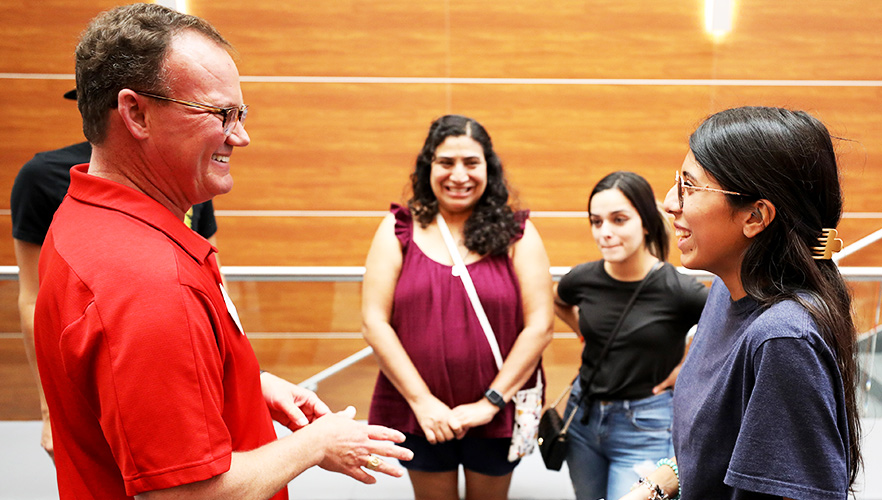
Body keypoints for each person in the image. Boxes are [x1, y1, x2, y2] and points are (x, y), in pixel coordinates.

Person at [33, 4, 412, 499]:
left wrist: (247, 381)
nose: (241, 136)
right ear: (135, 113)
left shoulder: (89, 217)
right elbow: (184, 494)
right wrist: (316, 444)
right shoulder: (147, 282)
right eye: (220, 113)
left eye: (242, 113)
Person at [619, 106, 861, 500]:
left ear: (755, 216)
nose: (669, 203)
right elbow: (721, 441)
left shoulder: (782, 338)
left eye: (690, 187)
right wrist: (656, 485)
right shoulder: (727, 292)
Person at [11, 89, 219, 461]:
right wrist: (49, 410)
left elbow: (214, 282)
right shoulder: (43, 177)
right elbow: (33, 299)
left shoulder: (188, 175)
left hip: (172, 364)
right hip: (95, 368)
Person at [362, 114, 554, 500]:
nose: (459, 175)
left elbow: (540, 326)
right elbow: (374, 322)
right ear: (428, 167)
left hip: (495, 413)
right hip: (419, 412)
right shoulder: (399, 227)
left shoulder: (517, 232)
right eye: (446, 163)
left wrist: (490, 403)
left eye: (471, 163)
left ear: (489, 168)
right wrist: (422, 401)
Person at [553, 171, 707, 500]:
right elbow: (559, 301)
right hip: (583, 417)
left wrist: (686, 369)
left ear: (646, 224)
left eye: (619, 220)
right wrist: (583, 333)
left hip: (645, 425)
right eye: (596, 222)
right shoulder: (582, 278)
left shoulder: (678, 289)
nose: (604, 233)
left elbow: (725, 331)